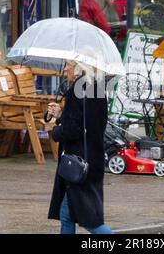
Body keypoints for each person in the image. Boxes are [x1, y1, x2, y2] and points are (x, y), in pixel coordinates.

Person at [46, 60, 113, 234]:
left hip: (78, 161)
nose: (66, 68)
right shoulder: (95, 88)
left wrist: (55, 131)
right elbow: (88, 123)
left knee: (90, 221)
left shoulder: (77, 91)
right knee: (68, 214)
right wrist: (62, 114)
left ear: (79, 68)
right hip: (93, 158)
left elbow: (72, 130)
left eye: (69, 64)